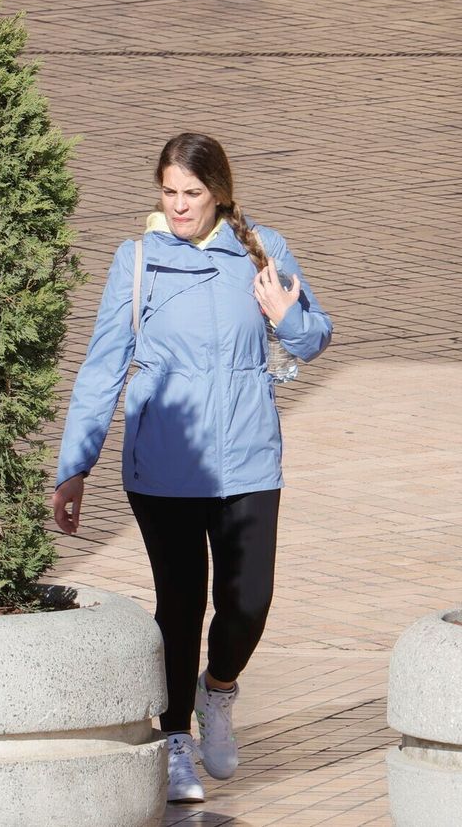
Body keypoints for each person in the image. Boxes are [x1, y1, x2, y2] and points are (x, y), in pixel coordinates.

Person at [51, 132, 332, 804]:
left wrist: (288, 317)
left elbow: (315, 336)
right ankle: (175, 737)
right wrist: (75, 466)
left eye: (193, 194)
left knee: (248, 601)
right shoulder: (137, 260)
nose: (180, 207)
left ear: (219, 193)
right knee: (180, 604)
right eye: (170, 193)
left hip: (248, 457)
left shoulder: (262, 248)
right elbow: (102, 365)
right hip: (164, 465)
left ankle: (220, 691)